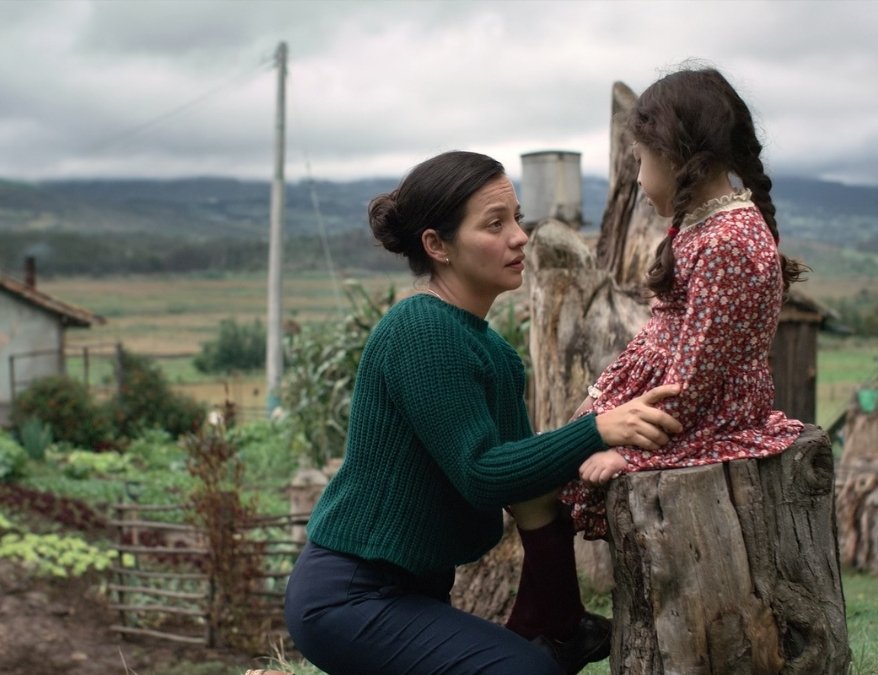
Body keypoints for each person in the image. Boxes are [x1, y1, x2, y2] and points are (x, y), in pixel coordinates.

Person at [284, 150, 682, 675]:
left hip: (413, 591)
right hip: (351, 595)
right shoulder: (421, 331)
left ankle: (562, 627)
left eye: (517, 217)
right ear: (437, 245)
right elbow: (482, 473)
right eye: (495, 224)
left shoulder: (490, 350)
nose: (520, 236)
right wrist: (598, 429)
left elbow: (528, 491)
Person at [560, 66, 808, 539]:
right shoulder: (707, 225)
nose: (636, 179)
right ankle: (553, 607)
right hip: (674, 399)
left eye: (640, 161)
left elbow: (699, 372)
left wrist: (635, 453)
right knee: (549, 471)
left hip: (699, 411)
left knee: (558, 476)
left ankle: (549, 611)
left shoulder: (725, 241)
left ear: (675, 157)